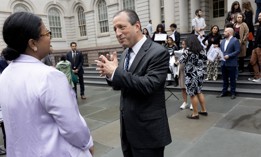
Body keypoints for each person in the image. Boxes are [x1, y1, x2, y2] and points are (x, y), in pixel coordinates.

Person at [0, 12, 93, 156]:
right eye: (47, 33)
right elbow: (73, 128)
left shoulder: (5, 74)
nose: (50, 38)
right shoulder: (49, 76)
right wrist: (87, 144)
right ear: (33, 43)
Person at [95, 9, 171, 157]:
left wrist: (116, 72)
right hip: (128, 131)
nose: (117, 33)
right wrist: (110, 75)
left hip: (148, 133)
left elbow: (149, 85)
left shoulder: (158, 52)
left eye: (122, 27)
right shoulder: (125, 53)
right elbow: (120, 84)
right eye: (115, 29)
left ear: (137, 26)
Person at [179, 35, 208, 119]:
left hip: (191, 74)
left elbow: (181, 60)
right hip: (200, 73)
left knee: (192, 94)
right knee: (199, 91)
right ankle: (203, 110)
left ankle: (195, 113)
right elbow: (205, 59)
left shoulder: (187, 51)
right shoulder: (201, 50)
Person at [217, 27, 240, 99]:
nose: (223, 33)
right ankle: (224, 92)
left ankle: (233, 93)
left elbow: (237, 51)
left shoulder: (235, 40)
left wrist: (229, 56)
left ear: (229, 32)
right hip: (223, 63)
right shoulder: (223, 41)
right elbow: (221, 51)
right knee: (224, 79)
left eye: (225, 31)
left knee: (232, 79)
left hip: (232, 63)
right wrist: (218, 55)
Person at [176, 40, 193, 110]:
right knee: (183, 87)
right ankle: (185, 102)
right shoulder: (179, 51)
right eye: (182, 44)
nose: (184, 46)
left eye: (185, 44)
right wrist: (176, 61)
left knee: (190, 87)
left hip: (189, 70)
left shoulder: (191, 52)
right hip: (182, 69)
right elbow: (177, 59)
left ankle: (192, 102)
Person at [250, 12, 261, 82]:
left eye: (260, 16)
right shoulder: (259, 25)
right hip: (256, 47)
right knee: (252, 61)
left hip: (260, 47)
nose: (259, 17)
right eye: (259, 16)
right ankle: (257, 76)